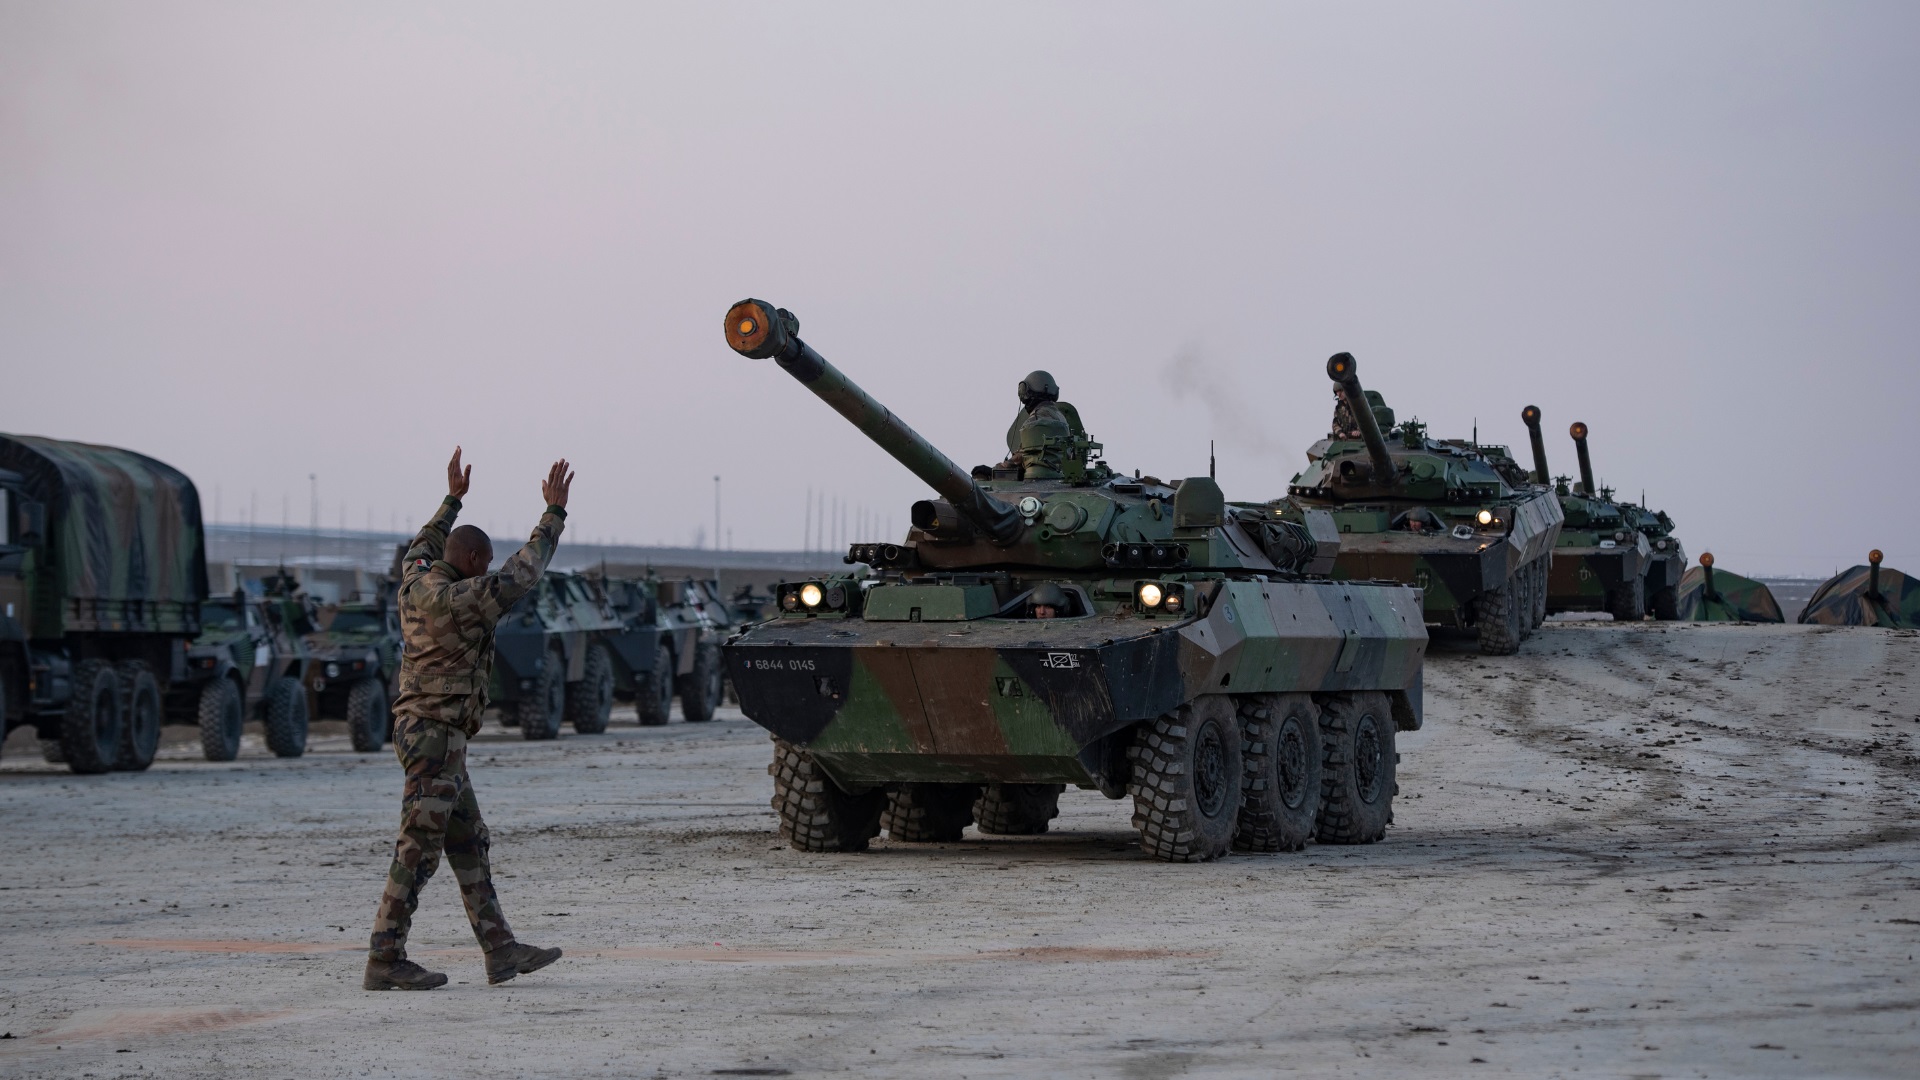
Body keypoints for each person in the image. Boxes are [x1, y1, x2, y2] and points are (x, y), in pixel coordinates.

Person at [363, 448, 573, 992]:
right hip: (435, 736)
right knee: (417, 847)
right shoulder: (464, 599)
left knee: (467, 841)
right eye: (486, 560)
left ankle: (501, 950)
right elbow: (521, 574)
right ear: (476, 559)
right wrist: (553, 514)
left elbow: (421, 545)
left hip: (431, 735)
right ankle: (385, 958)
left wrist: (451, 499)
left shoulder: (416, 581)